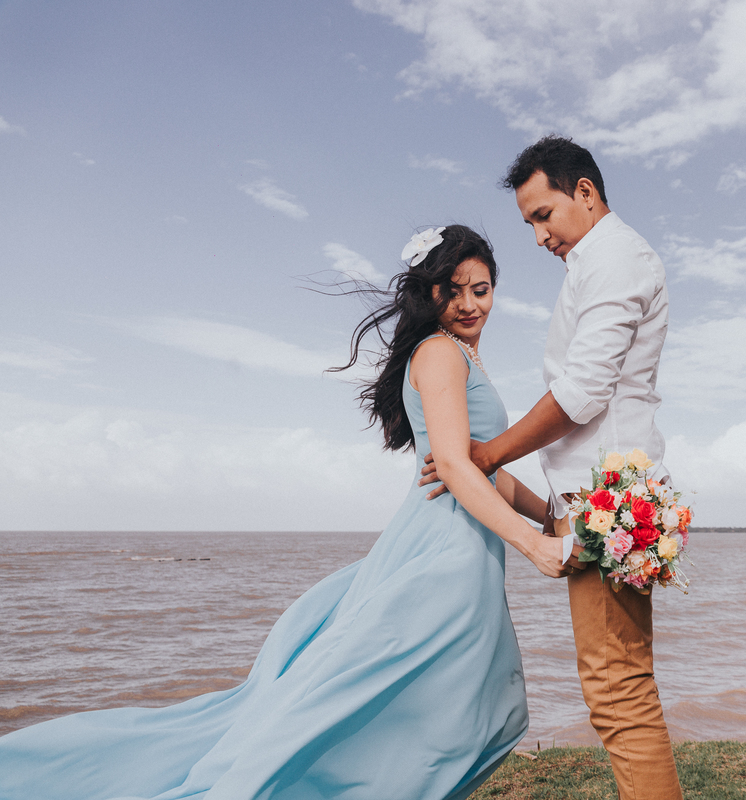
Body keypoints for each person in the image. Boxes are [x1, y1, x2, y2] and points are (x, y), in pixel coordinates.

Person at [0, 224, 576, 800]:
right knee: (422, 704)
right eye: (455, 290)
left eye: (482, 289)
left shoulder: (462, 355)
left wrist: (546, 513)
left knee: (456, 702)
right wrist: (533, 544)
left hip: (464, 544)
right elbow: (454, 468)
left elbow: (483, 465)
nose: (470, 304)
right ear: (429, 292)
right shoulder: (438, 352)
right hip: (446, 548)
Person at [423, 136, 683, 800]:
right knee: (620, 685)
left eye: (543, 215)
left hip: (610, 499)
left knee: (617, 692)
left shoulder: (616, 260)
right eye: (529, 223)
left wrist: (486, 454)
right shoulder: (597, 263)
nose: (538, 236)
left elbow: (581, 394)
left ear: (585, 194)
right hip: (601, 493)